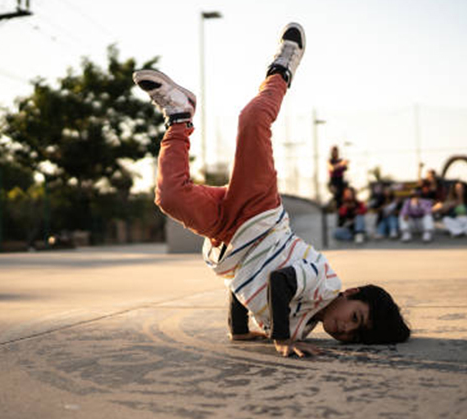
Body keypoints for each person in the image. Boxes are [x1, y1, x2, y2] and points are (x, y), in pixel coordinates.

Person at [133, 23, 410, 357]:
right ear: (351, 293)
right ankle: (283, 67)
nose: (345, 329)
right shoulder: (324, 285)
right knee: (252, 119)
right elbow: (280, 281)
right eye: (355, 317)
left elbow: (244, 283)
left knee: (170, 197)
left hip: (229, 236)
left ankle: (179, 116)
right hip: (259, 214)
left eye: (355, 335)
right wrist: (282, 338)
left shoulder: (300, 324)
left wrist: (238, 330)